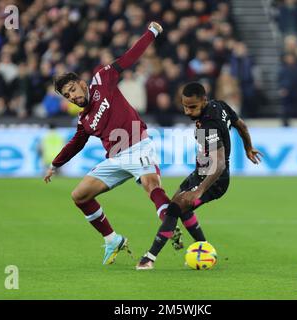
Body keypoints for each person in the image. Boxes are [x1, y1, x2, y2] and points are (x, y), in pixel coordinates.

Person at [43, 22, 182, 265]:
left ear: (82, 84)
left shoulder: (101, 79)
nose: (73, 96)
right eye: (67, 95)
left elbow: (129, 58)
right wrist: (55, 164)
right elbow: (76, 143)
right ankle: (112, 239)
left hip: (138, 144)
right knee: (79, 195)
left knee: (151, 186)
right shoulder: (83, 119)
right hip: (116, 158)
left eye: (73, 89)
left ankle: (171, 226)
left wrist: (152, 32)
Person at [136, 82, 263, 270]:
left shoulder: (207, 125)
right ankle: (205, 249)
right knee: (178, 206)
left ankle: (149, 258)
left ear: (204, 101)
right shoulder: (220, 105)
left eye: (192, 107)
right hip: (200, 173)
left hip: (215, 180)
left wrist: (199, 191)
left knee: (175, 208)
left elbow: (218, 164)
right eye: (185, 106)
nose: (187, 111)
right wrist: (248, 147)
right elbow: (241, 125)